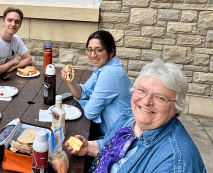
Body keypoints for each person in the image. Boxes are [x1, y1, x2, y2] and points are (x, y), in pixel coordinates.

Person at [66, 59, 207, 173]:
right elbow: (118, 148)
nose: (146, 101)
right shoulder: (130, 118)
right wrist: (89, 147)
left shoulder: (175, 162)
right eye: (142, 90)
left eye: (160, 97)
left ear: (176, 106)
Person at [61, 30, 132, 136]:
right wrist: (70, 80)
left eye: (98, 50)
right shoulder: (104, 67)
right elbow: (83, 93)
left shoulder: (110, 72)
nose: (93, 55)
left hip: (117, 137)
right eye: (90, 50)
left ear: (111, 51)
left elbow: (90, 112)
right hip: (110, 131)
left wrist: (88, 101)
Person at [0, 7, 32, 76]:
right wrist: (12, 62)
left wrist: (14, 67)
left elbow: (29, 59)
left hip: (6, 77)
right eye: (10, 20)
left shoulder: (16, 39)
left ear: (20, 25)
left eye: (17, 22)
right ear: (3, 22)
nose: (13, 24)